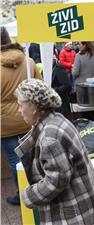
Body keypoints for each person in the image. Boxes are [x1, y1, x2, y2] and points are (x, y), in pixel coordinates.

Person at [14, 79, 94, 225]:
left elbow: (57, 180)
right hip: (86, 204)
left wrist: (29, 195)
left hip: (74, 214)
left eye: (21, 105)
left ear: (33, 108)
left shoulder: (49, 137)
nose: (19, 110)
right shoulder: (57, 119)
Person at [1, 26, 41, 206]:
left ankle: (22, 195)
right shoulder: (29, 61)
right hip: (29, 116)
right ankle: (40, 189)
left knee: (14, 160)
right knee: (34, 155)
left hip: (5, 122)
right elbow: (40, 87)